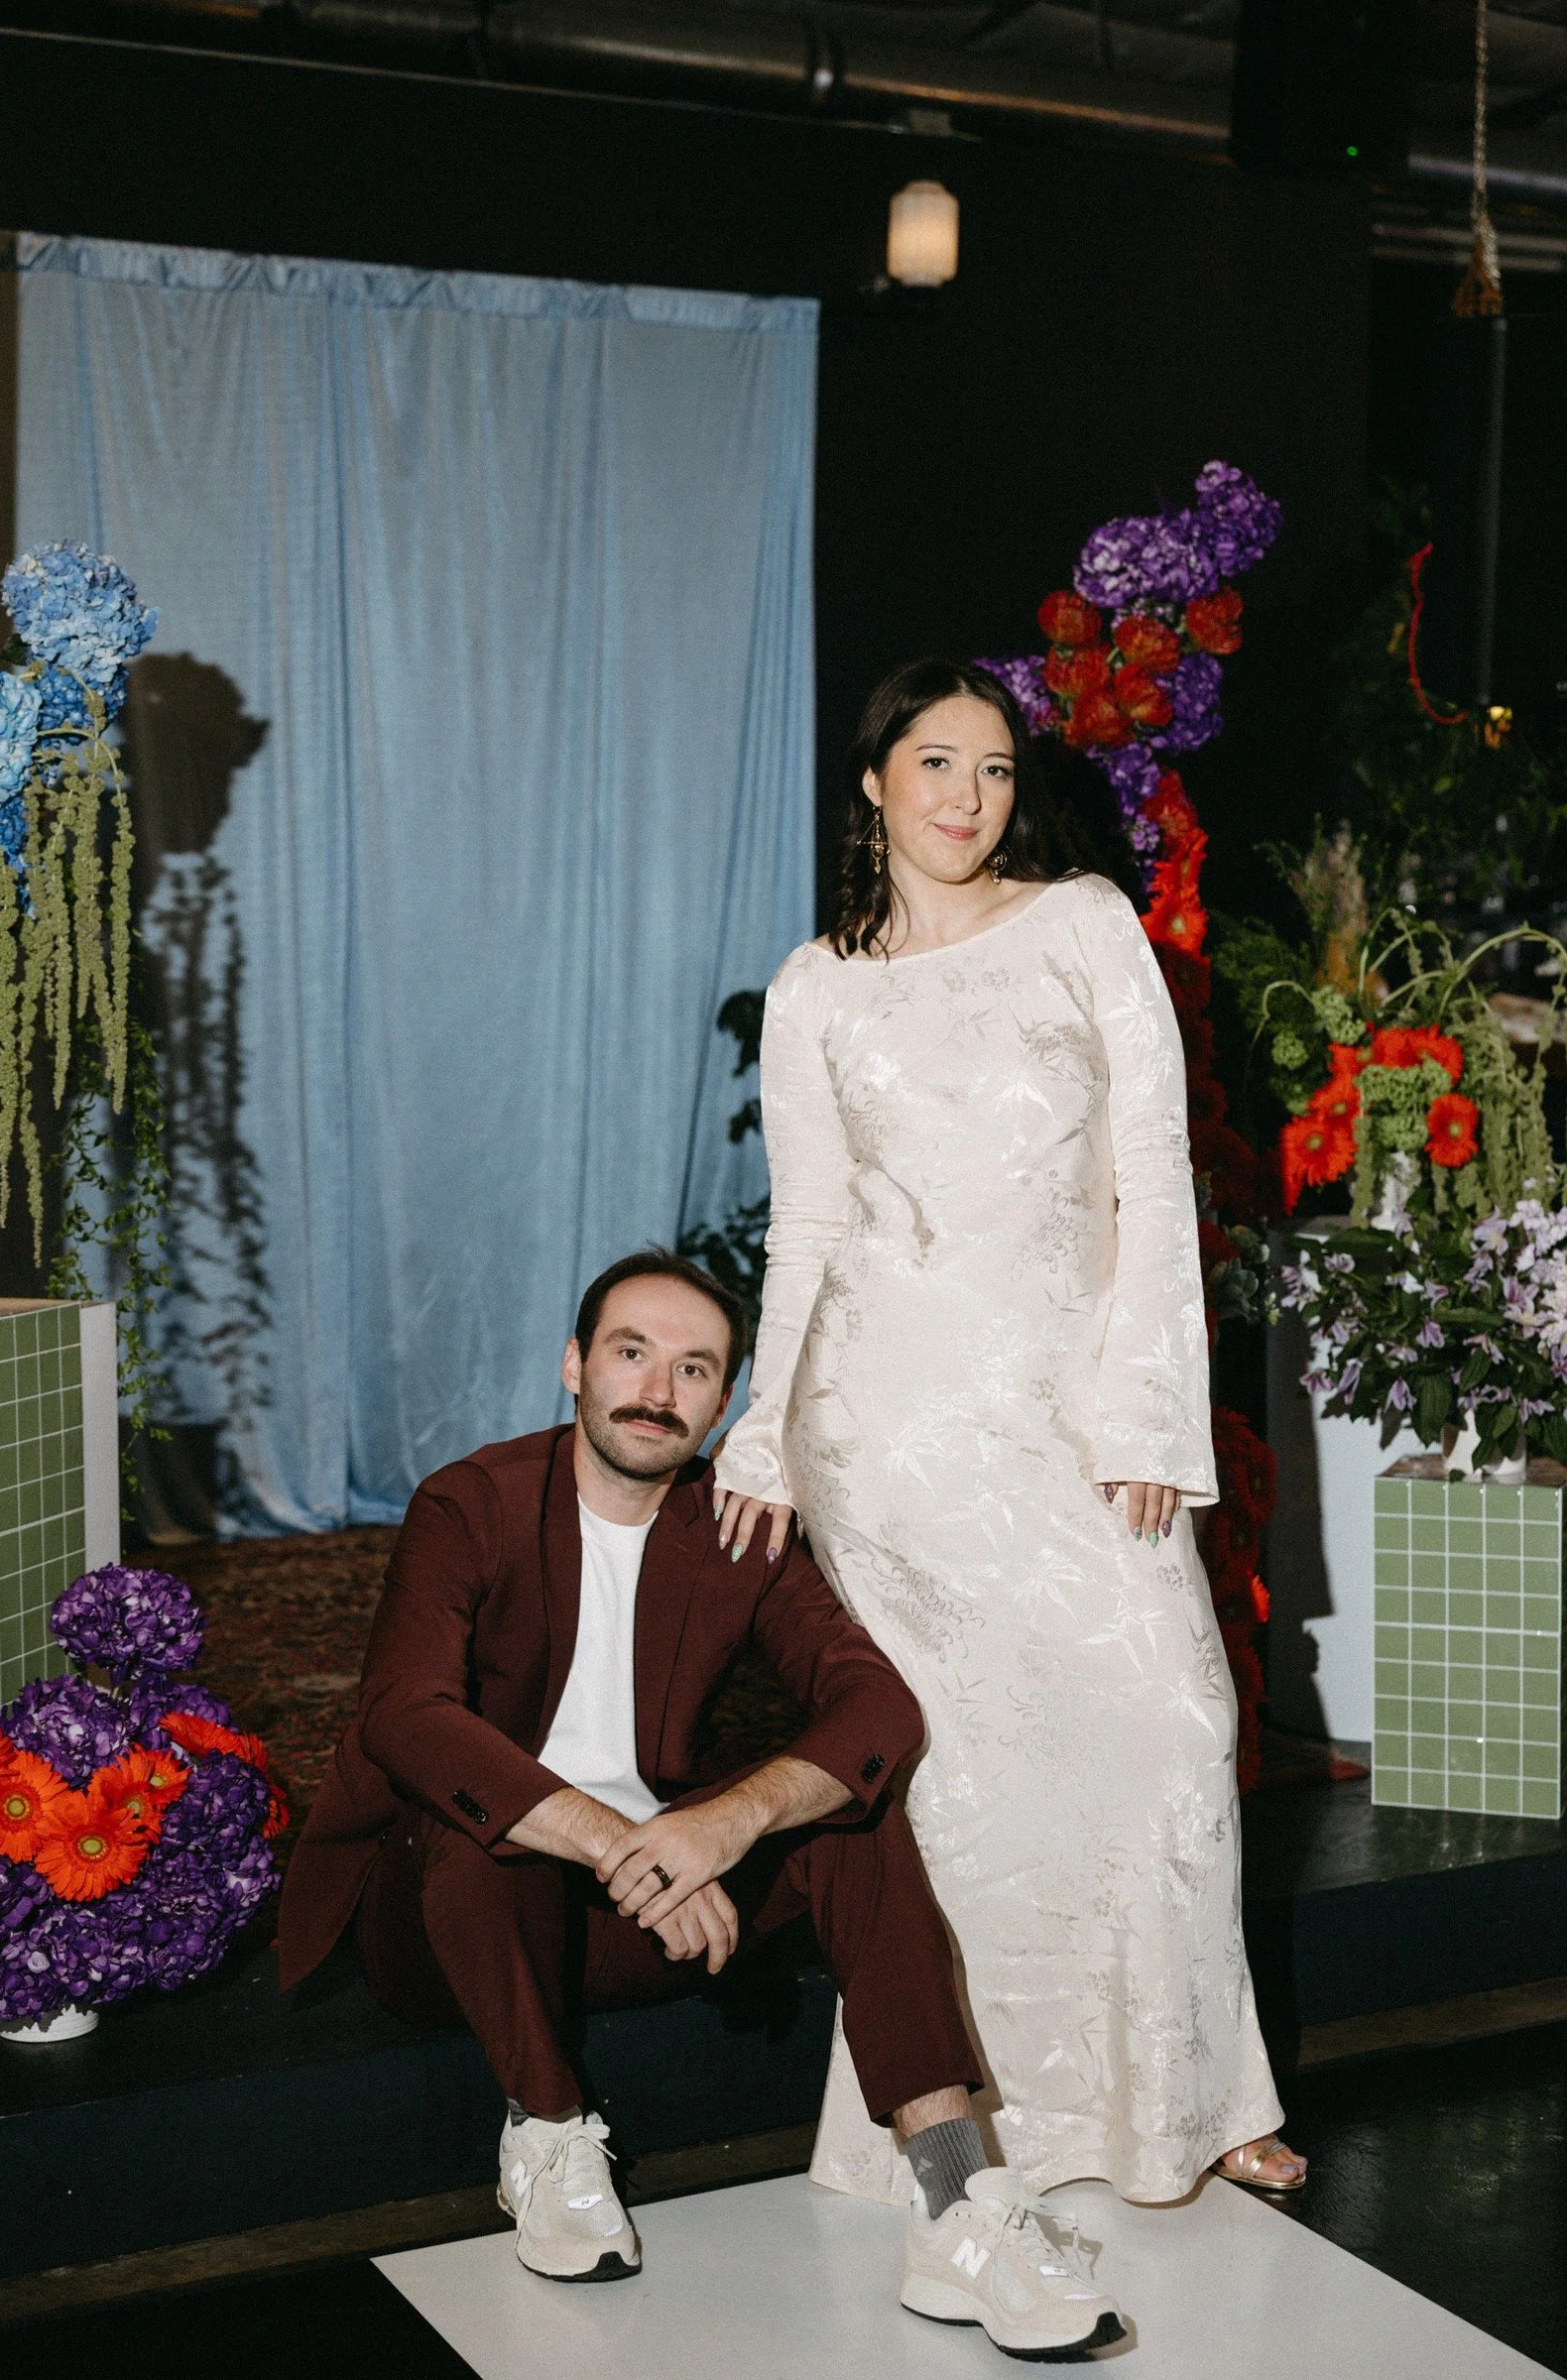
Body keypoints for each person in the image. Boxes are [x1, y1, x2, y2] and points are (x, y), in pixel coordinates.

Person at [278, 1250, 1128, 2361]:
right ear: (573, 1367)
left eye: (693, 1370)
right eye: (630, 1354)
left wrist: (720, 1827)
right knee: (473, 1817)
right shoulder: (469, 1504)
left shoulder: (734, 1528)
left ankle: (956, 2208)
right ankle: (546, 2136)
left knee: (849, 1819)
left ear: (722, 1402)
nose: (656, 1390)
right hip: (454, 1929)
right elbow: (403, 1715)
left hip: (642, 1916)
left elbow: (876, 1710)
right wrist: (620, 1840)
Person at [711, 659, 1306, 2207]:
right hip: (891, 1429)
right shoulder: (815, 987)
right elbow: (811, 1225)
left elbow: (1156, 1178)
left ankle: (1195, 2095)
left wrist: (1156, 1410)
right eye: (934, 765)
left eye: (990, 767)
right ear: (874, 784)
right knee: (964, 1779)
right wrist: (767, 1435)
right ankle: (964, 2112)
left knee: (1176, 1725)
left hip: (1076, 1407)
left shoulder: (1085, 924)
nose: (966, 796)